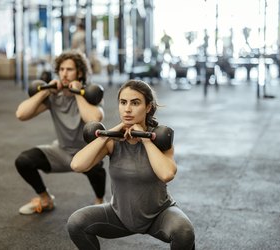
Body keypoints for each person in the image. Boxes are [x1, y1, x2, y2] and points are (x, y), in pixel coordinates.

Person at [67, 79, 195, 249]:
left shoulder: (159, 139)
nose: (127, 109)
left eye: (135, 103)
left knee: (184, 232)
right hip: (119, 216)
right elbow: (77, 165)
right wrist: (108, 135)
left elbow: (166, 174)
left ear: (148, 107)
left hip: (159, 216)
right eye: (123, 102)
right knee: (76, 222)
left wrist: (145, 140)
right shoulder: (112, 141)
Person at [15, 50, 106, 215]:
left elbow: (94, 118)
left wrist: (77, 93)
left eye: (69, 69)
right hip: (61, 151)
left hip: (85, 153)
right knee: (23, 161)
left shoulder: (89, 94)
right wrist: (46, 90)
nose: (64, 73)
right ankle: (45, 199)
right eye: (62, 69)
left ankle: (100, 202)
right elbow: (21, 114)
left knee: (97, 166)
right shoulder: (53, 96)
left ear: (79, 72)